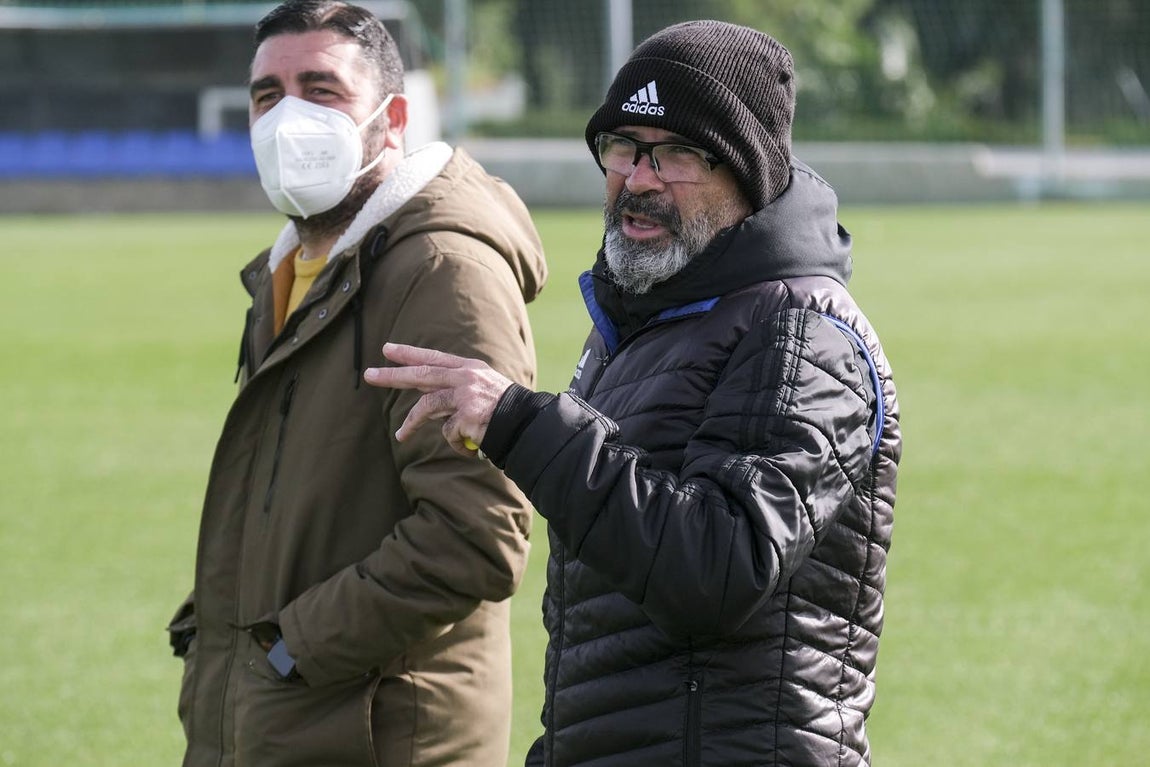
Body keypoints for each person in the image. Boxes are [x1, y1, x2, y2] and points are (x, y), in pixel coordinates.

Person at [365, 19, 901, 767]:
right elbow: (610, 619)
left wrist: (522, 424)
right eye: (623, 147)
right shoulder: (643, 321)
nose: (639, 179)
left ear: (748, 172)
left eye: (677, 153)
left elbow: (717, 568)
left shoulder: (802, 333)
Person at [165, 2, 547, 765]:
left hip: (376, 735)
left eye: (321, 89)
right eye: (268, 95)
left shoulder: (441, 270)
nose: (288, 118)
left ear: (392, 117)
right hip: (289, 723)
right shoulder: (296, 270)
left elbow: (474, 536)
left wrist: (289, 647)